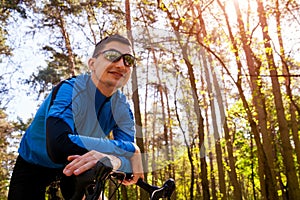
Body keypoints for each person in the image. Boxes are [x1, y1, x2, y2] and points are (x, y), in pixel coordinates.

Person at [8, 34, 144, 200]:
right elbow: (59, 145)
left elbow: (130, 166)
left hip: (79, 161)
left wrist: (113, 159)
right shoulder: (71, 89)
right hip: (34, 162)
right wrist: (130, 149)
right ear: (92, 64)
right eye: (112, 56)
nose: (122, 65)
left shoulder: (122, 108)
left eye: (128, 60)